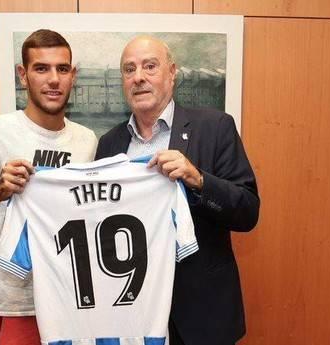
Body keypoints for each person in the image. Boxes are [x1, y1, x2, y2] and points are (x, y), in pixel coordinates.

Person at [95, 36, 260, 345]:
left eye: (150, 66)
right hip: (133, 312)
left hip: (201, 315)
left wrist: (198, 179)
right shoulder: (109, 144)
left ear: (172, 73)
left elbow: (248, 211)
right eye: (129, 69)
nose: (139, 77)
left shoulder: (216, 127)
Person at [0, 29, 97, 345]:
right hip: (15, 308)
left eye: (62, 69)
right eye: (41, 68)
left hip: (74, 304)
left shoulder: (88, 140)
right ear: (23, 75)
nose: (53, 79)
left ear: (72, 76)